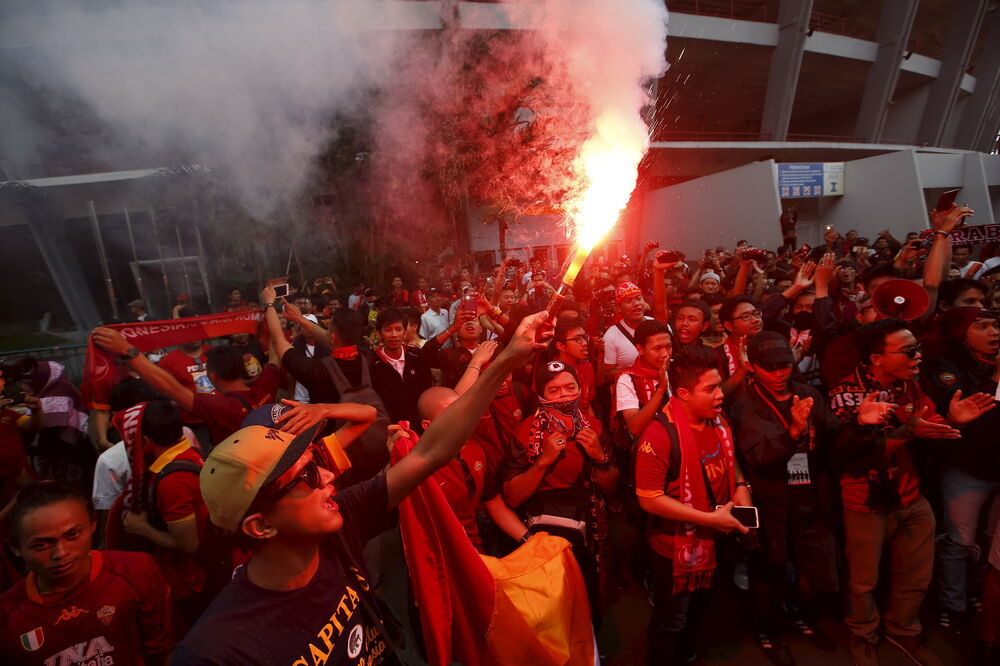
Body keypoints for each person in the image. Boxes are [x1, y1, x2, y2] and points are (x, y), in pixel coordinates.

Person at [171, 310, 549, 664]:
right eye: (307, 477)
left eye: (316, 465)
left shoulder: (342, 525)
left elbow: (432, 450)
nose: (329, 476)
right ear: (260, 525)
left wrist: (505, 361)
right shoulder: (220, 651)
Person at [828, 319, 994, 665]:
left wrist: (952, 420)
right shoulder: (847, 394)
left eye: (918, 348)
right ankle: (863, 636)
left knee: (916, 576)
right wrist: (909, 432)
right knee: (863, 582)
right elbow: (853, 455)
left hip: (912, 498)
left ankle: (904, 632)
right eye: (909, 351)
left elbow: (928, 427)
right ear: (877, 358)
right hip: (865, 502)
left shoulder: (912, 387)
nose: (919, 356)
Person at [634, 346, 753, 665]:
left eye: (719, 386)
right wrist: (708, 519)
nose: (720, 395)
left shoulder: (717, 420)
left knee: (701, 611)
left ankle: (688, 656)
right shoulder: (659, 435)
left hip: (716, 539)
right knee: (672, 620)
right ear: (683, 393)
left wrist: (741, 487)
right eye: (710, 389)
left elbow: (732, 463)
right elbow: (648, 498)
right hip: (675, 549)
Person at [730, 332, 840, 664]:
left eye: (785, 366)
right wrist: (792, 433)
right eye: (770, 367)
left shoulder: (808, 394)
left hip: (809, 496)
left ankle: (799, 616)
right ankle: (768, 629)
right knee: (768, 569)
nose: (779, 374)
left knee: (813, 566)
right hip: (768, 499)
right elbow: (760, 455)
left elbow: (832, 438)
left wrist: (861, 424)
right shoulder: (743, 404)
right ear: (751, 367)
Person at [1, 480, 175, 666]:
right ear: (16, 547)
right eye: (42, 545)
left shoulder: (135, 571)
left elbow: (164, 652)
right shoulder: (8, 616)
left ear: (93, 523)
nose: (61, 553)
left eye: (73, 535)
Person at [500, 360, 617, 618]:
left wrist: (600, 456)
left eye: (570, 387)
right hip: (547, 534)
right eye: (555, 390)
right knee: (554, 602)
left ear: (581, 390)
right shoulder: (526, 433)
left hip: (591, 525)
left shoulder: (593, 428)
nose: (564, 395)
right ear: (541, 395)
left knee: (590, 590)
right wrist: (543, 462)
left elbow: (611, 487)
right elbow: (513, 496)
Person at [922, 307, 1000, 631]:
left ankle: (979, 593)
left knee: (993, 541)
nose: (994, 332)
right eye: (981, 326)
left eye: (996, 325)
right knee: (959, 538)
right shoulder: (947, 366)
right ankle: (951, 604)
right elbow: (965, 408)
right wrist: (996, 376)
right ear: (961, 333)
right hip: (967, 466)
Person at [91, 329, 281, 446]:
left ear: (212, 376)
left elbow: (171, 388)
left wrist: (127, 350)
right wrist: (270, 307)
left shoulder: (221, 407)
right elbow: (274, 356)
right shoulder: (265, 386)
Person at [415, 387, 527, 551]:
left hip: (473, 547)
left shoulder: (475, 450)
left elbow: (494, 503)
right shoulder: (415, 465)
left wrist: (529, 539)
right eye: (451, 415)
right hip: (436, 554)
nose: (462, 420)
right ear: (427, 425)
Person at [370, 308, 433, 427]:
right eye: (388, 330)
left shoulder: (416, 357)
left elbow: (427, 391)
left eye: (398, 329)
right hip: (390, 429)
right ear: (379, 333)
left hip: (422, 426)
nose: (394, 335)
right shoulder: (371, 365)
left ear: (404, 332)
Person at [601, 281, 652, 378]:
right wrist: (637, 373)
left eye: (638, 298)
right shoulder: (611, 336)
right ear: (619, 307)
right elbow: (606, 374)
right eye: (628, 301)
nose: (636, 304)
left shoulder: (656, 325)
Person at [552, 317, 596, 415]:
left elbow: (587, 404)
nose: (585, 343)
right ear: (561, 346)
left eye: (585, 338)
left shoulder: (586, 367)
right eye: (577, 339)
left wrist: (591, 426)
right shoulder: (550, 373)